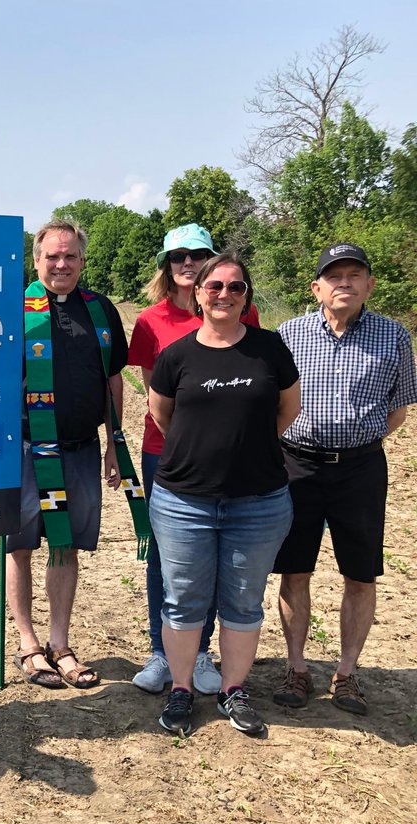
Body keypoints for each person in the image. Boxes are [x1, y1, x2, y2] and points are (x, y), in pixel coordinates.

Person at [148, 253, 300, 737]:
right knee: (183, 601)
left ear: (246, 297)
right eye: (215, 286)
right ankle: (181, 689)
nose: (225, 295)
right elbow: (163, 417)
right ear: (198, 293)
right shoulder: (177, 356)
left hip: (258, 501)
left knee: (243, 602)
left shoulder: (269, 349)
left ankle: (233, 691)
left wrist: (245, 452)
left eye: (236, 288)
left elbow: (286, 411)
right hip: (183, 502)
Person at [272, 243, 417, 716]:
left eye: (355, 275)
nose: (345, 283)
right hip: (298, 466)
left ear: (369, 285)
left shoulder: (393, 337)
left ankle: (348, 673)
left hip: (360, 468)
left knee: (361, 572)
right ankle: (296, 667)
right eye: (334, 276)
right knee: (295, 569)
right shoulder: (290, 334)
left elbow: (399, 407)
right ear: (316, 287)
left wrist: (360, 440)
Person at [7, 219, 142, 690]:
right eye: (52, 256)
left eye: (70, 256)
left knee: (65, 545)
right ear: (36, 259)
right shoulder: (11, 309)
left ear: (82, 261)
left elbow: (114, 381)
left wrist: (112, 445)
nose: (61, 264)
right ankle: (27, 643)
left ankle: (59, 644)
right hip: (24, 450)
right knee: (20, 545)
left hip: (81, 451)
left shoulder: (100, 310)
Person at [128, 224, 261, 696]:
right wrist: (188, 442)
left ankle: (201, 651)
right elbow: (154, 395)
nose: (187, 262)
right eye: (177, 255)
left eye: (197, 254)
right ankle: (161, 653)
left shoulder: (243, 310)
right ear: (166, 264)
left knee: (214, 560)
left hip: (231, 461)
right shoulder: (150, 321)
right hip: (164, 456)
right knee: (164, 558)